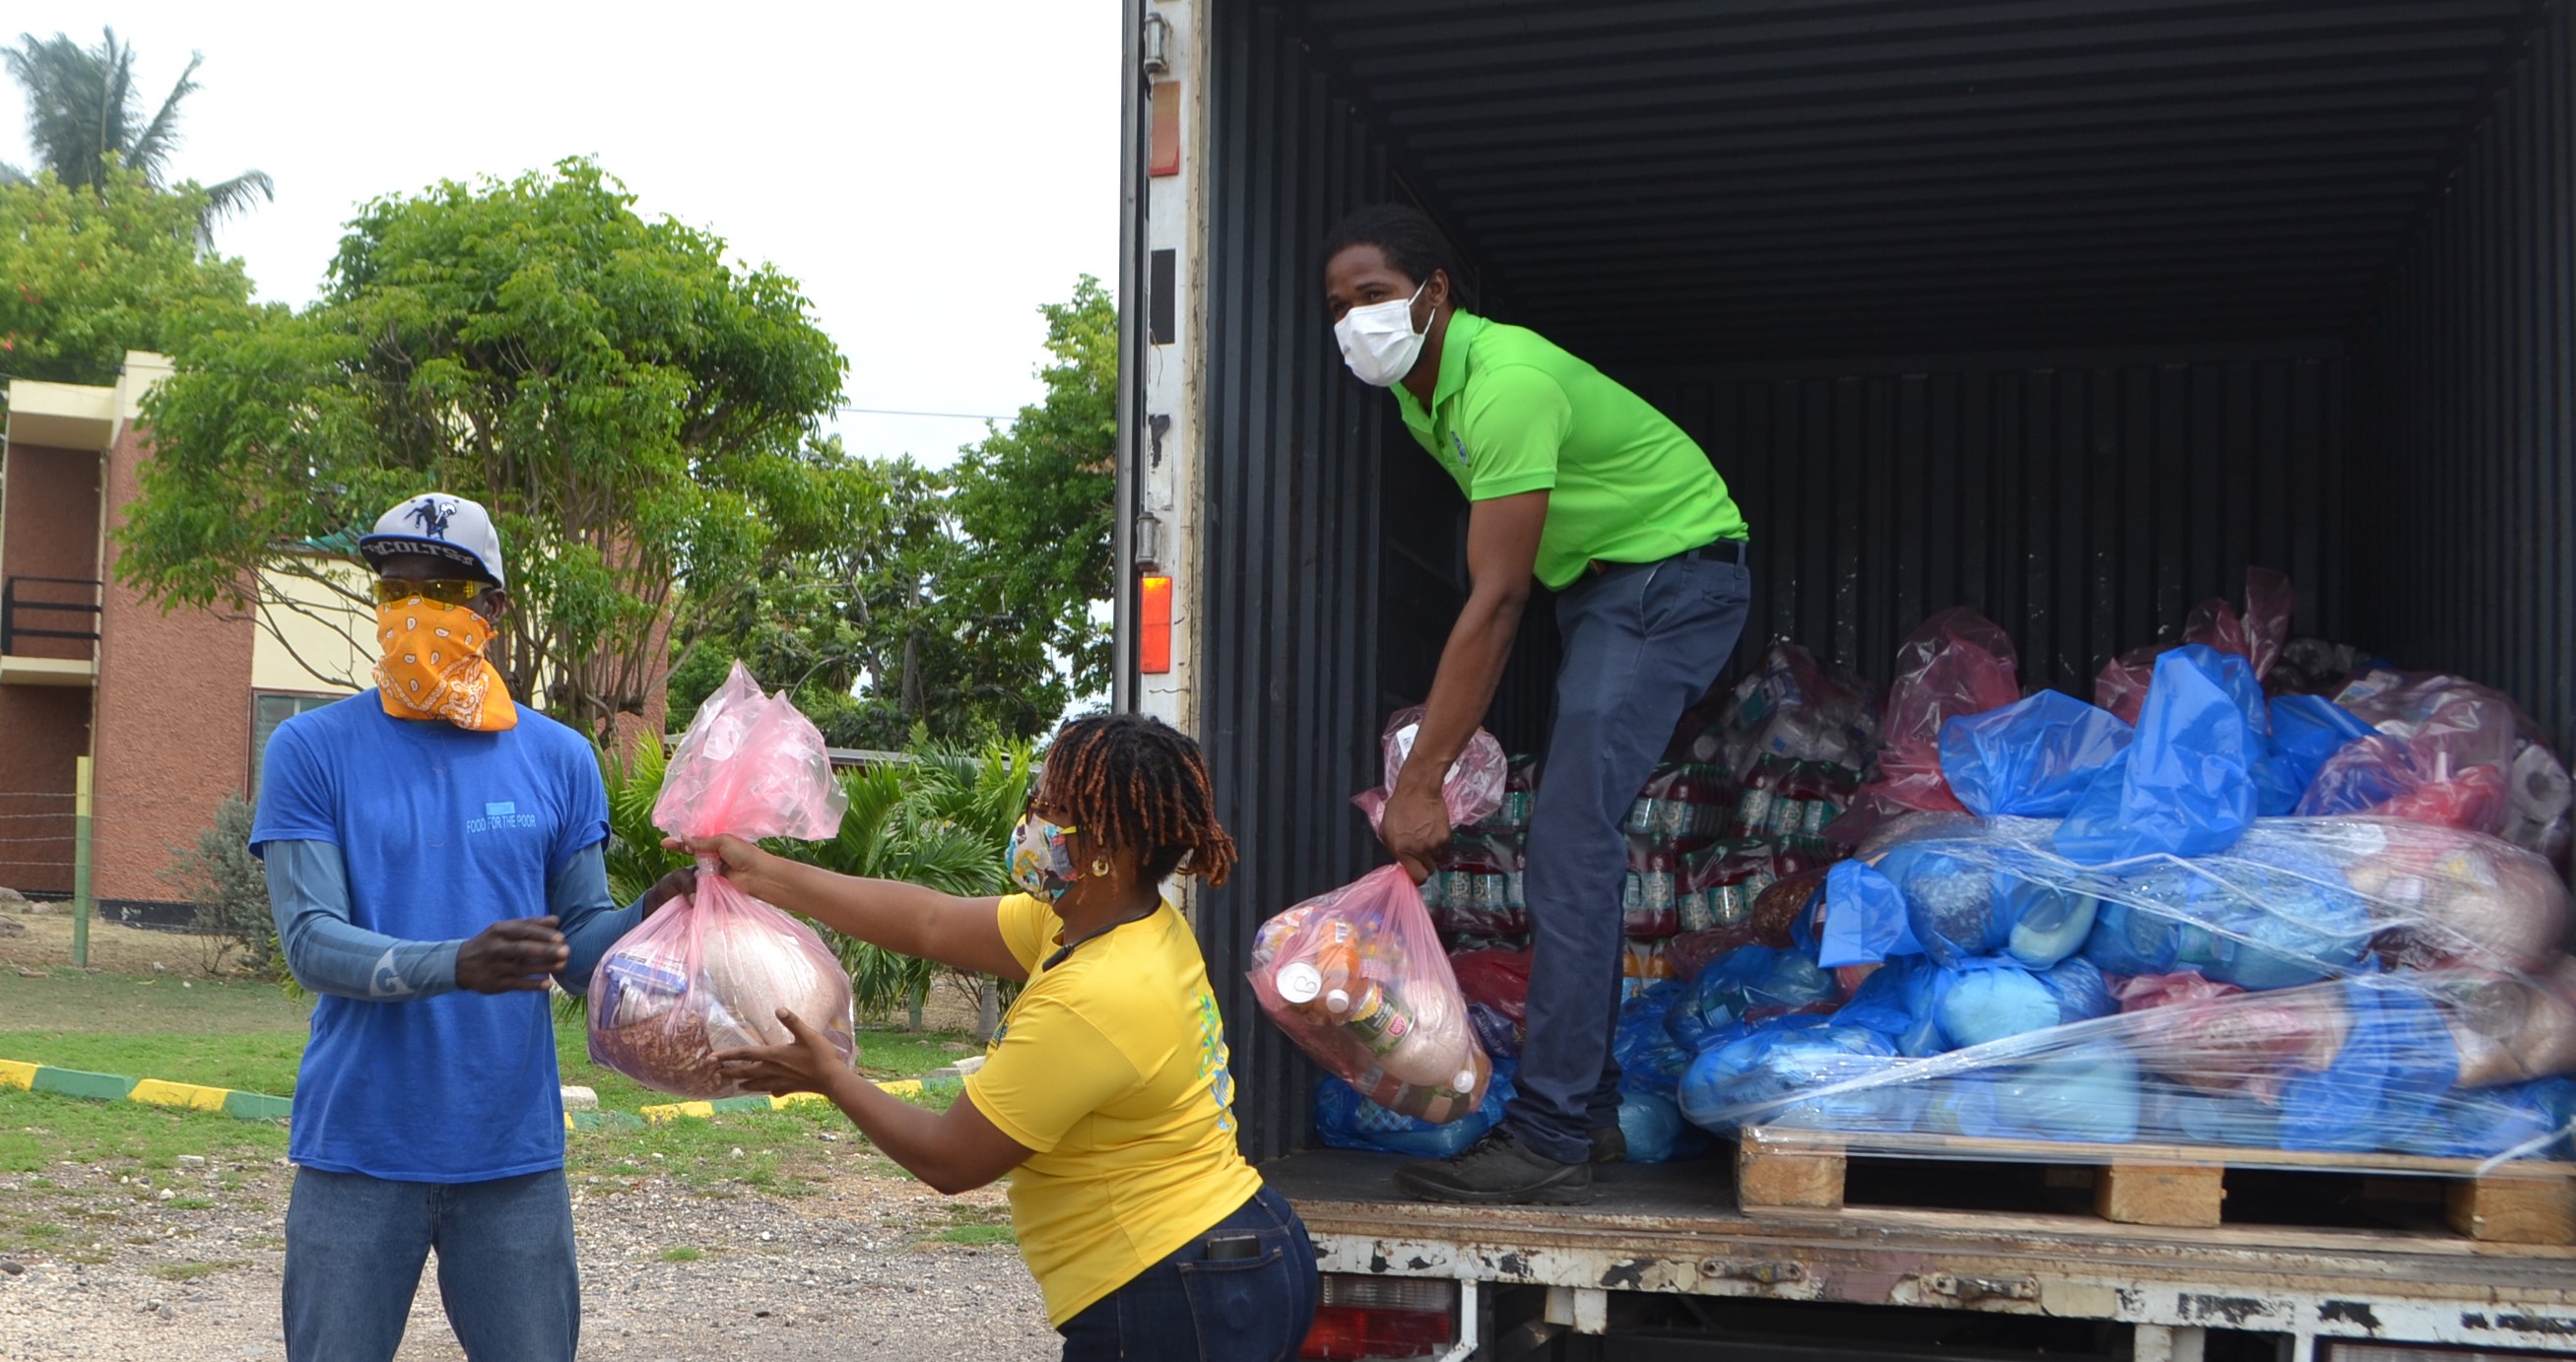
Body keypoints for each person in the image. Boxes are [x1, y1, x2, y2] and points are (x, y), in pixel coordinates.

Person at [1321, 203, 1754, 1204]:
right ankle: (1588, 1114)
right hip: (1605, 589)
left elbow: (1496, 598)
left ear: (1433, 295)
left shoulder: (1503, 382)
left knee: (1568, 836)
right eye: (1337, 306)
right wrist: (1422, 767)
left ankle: (1551, 1127)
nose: (1352, 321)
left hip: (1669, 576)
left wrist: (1422, 780)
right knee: (1571, 833)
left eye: (1373, 297)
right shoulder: (1418, 397)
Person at [677, 714, 1318, 1362]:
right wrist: (763, 873)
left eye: (1056, 809)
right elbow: (929, 921)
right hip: (1224, 1257)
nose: (1033, 818)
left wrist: (831, 1078)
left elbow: (951, 1159)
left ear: (1111, 849)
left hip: (1177, 1290)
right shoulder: (1102, 923)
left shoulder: (1100, 992)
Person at [251, 492, 688, 1361]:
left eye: (443, 589)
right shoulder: (311, 751)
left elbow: (574, 949)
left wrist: (653, 912)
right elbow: (311, 940)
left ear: (493, 609)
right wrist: (458, 961)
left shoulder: (558, 758)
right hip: (356, 1150)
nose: (414, 609)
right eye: (394, 587)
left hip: (510, 1159)